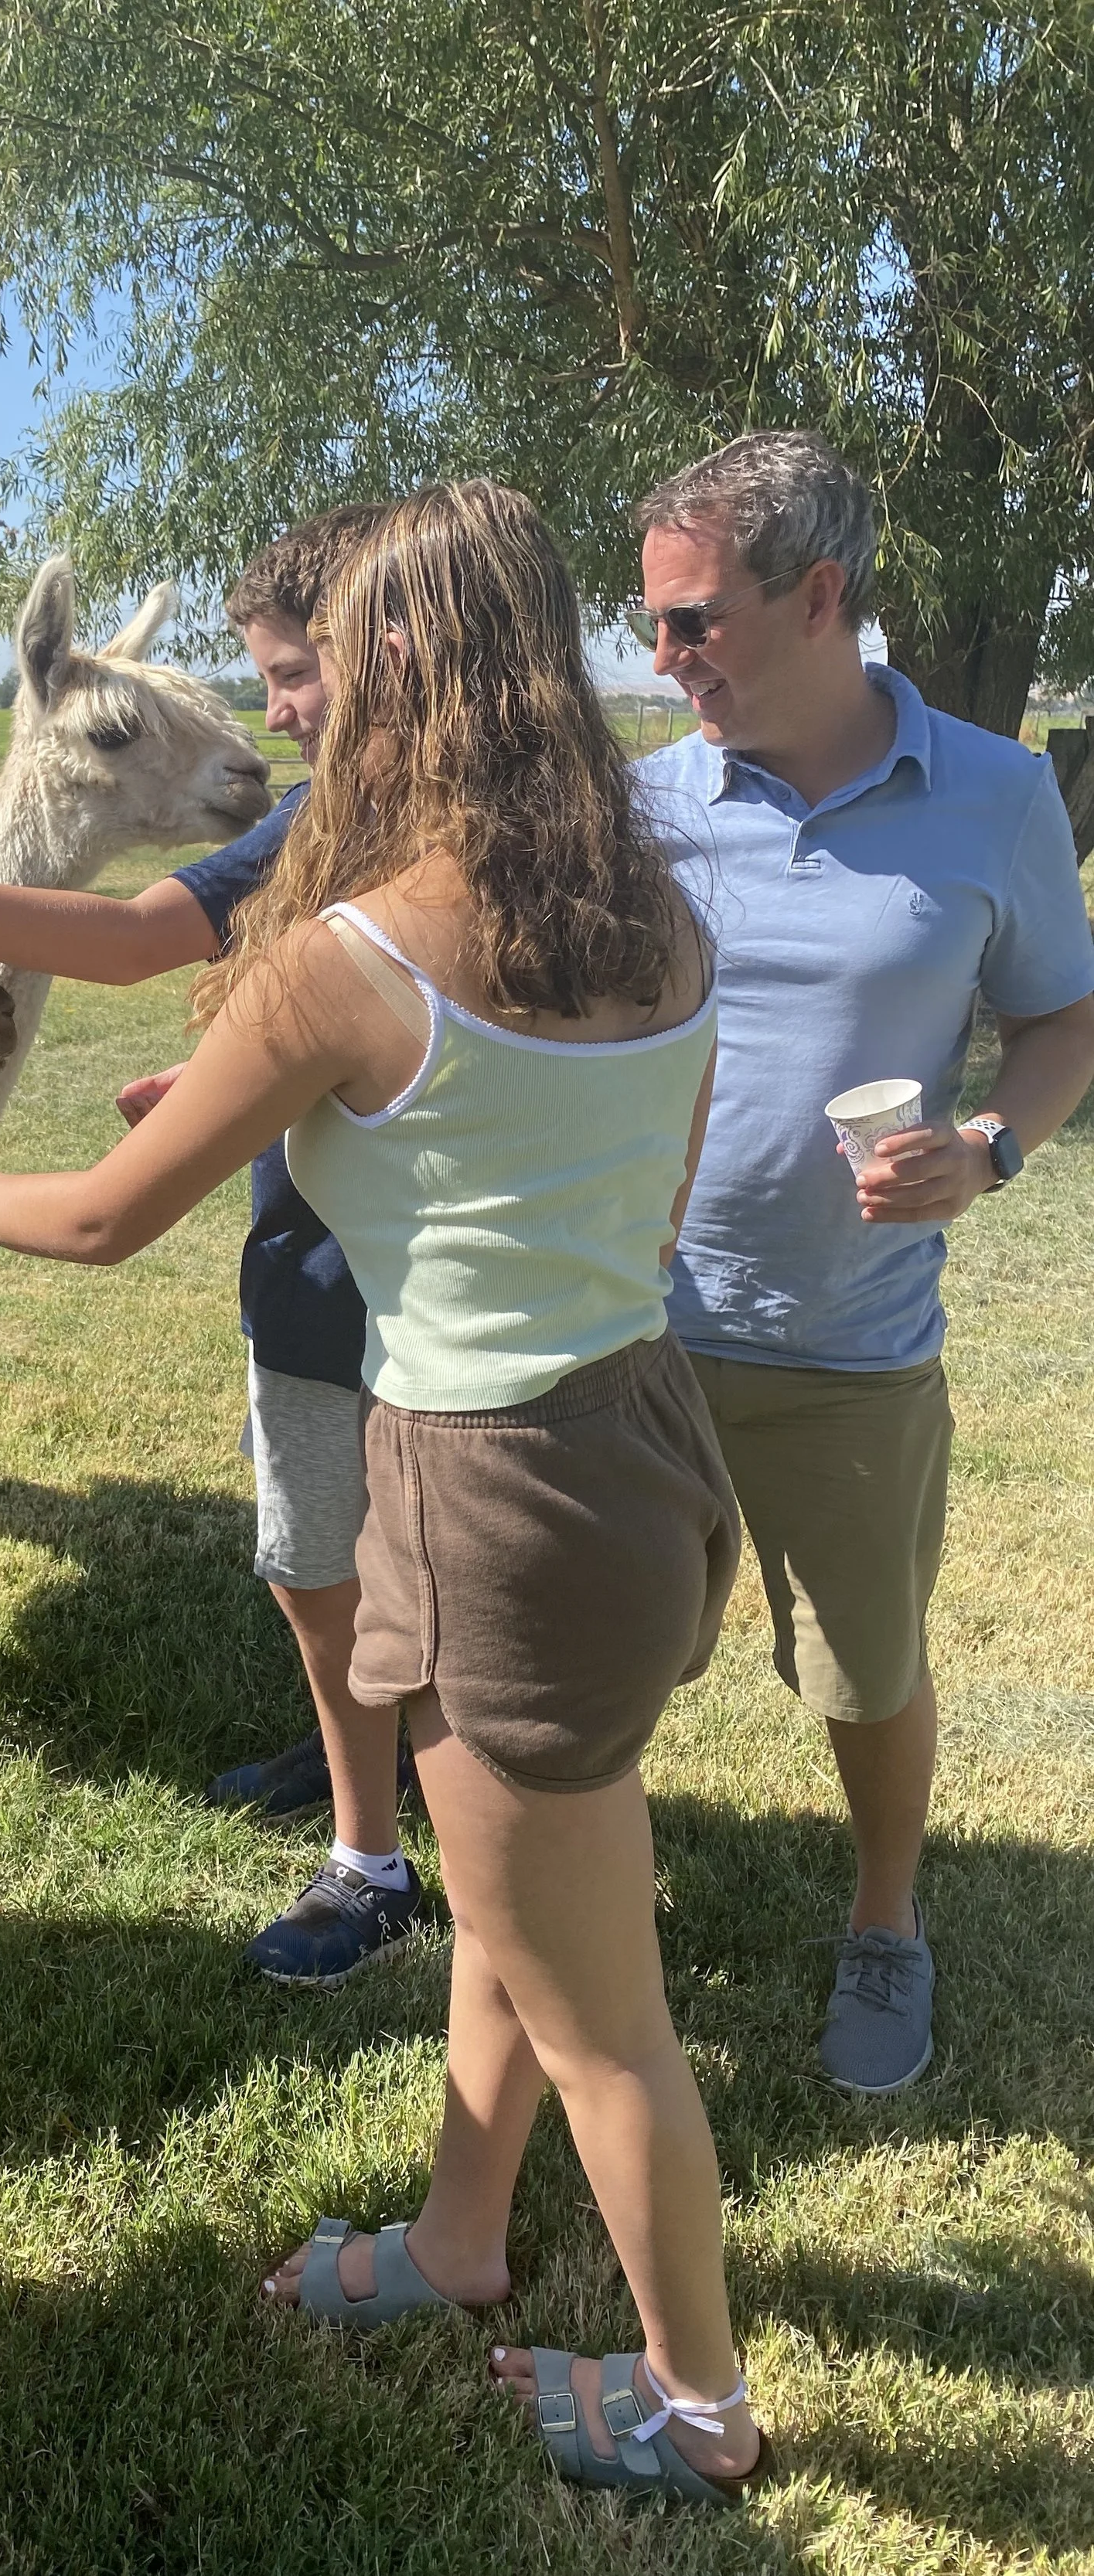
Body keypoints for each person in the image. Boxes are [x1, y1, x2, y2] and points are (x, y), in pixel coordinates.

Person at [0, 482, 768, 2506]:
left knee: (604, 2019)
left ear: (410, 663)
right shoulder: (651, 913)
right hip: (634, 1442)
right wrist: (305, 1111)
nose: (305, 703)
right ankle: (458, 2237)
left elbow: (78, 1224)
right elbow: (598, 1180)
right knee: (508, 1915)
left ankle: (697, 2403)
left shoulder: (346, 953)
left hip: (493, 1491)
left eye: (337, 655)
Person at [0, 505, 431, 1990]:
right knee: (319, 1551)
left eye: (299, 678)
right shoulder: (309, 817)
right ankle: (368, 1803)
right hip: (321, 1253)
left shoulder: (465, 835)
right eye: (275, 681)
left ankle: (434, 1840)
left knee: (435, 1558)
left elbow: (108, 1199)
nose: (272, 725)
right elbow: (131, 941)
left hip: (443, 1273)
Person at [632, 431, 1094, 2094]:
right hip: (634, 1334)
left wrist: (985, 1150)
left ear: (817, 596)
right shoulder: (643, 800)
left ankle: (883, 1919)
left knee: (863, 1665)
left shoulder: (995, 791)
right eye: (650, 628)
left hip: (850, 1343)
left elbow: (1058, 1012)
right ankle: (592, 1923)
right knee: (593, 1651)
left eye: (691, 623)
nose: (661, 660)